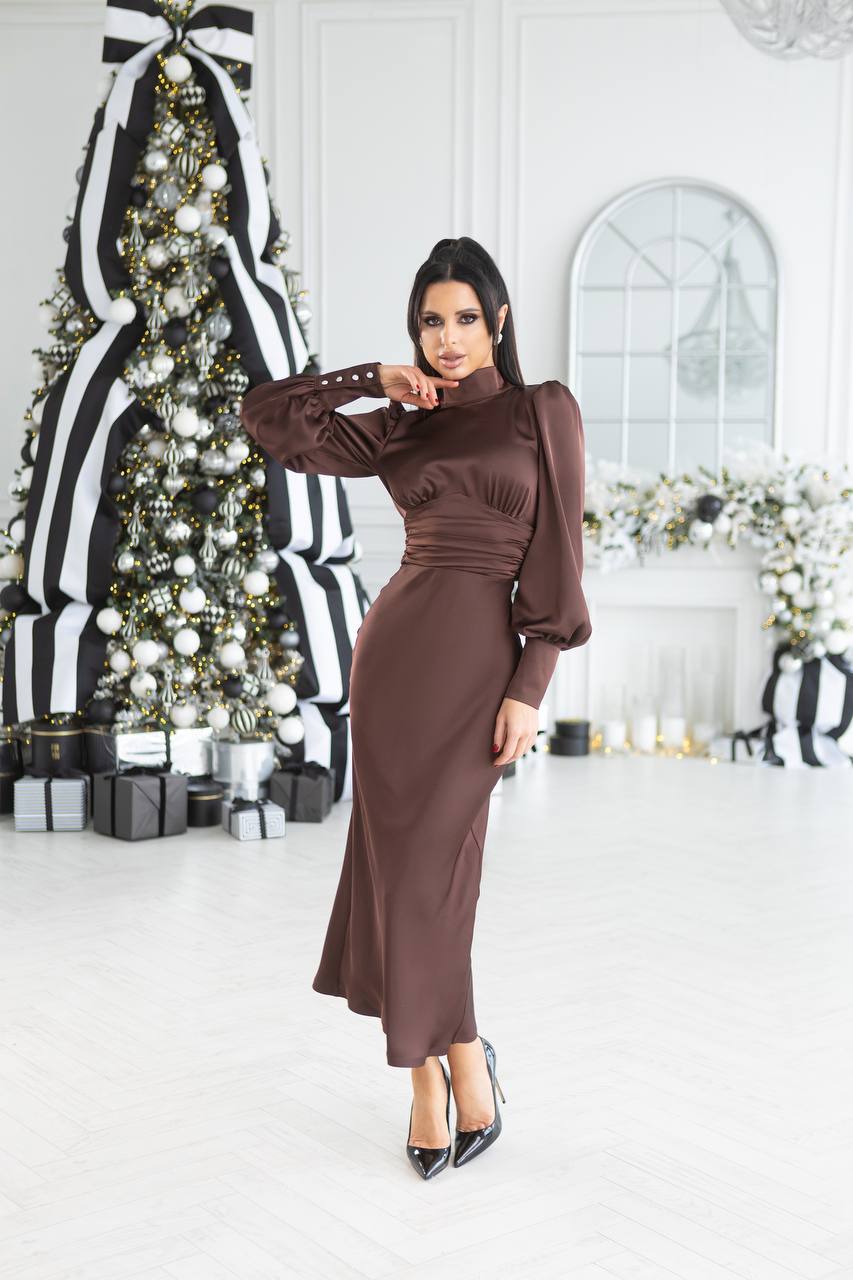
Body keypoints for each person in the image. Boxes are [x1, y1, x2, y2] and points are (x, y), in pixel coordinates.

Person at [240, 236, 592, 1180]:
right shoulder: (401, 424)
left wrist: (530, 685)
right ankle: (434, 1076)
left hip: (480, 666)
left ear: (499, 321)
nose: (447, 338)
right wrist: (371, 379)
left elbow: (560, 555)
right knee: (403, 875)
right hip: (394, 659)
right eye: (430, 322)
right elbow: (268, 419)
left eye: (464, 318)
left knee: (436, 876)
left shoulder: (541, 409)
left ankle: (453, 1062)